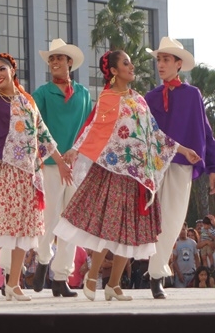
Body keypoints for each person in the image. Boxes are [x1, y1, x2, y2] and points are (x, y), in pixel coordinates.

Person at [54, 50, 201, 301]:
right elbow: (95, 128)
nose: (131, 67)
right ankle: (92, 276)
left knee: (130, 233)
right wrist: (75, 149)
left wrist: (183, 149)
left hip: (138, 176)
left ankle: (113, 284)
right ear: (113, 71)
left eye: (131, 63)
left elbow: (153, 133)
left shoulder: (139, 99)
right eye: (126, 63)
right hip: (114, 172)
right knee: (111, 229)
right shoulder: (109, 98)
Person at [0, 53, 70, 301]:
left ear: (12, 71)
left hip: (28, 173)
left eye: (1, 70)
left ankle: (13, 284)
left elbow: (43, 132)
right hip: (4, 169)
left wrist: (60, 162)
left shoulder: (28, 101)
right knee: (3, 227)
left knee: (24, 231)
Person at [145, 37, 215, 298]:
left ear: (178, 64)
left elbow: (205, 132)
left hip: (183, 163)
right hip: (153, 165)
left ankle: (156, 272)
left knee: (174, 221)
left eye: (165, 59)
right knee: (149, 219)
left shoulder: (193, 95)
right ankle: (154, 271)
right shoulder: (149, 97)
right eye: (158, 60)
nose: (160, 64)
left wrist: (212, 168)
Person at [30, 39, 92, 297]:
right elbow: (33, 128)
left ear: (70, 63)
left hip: (76, 167)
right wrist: (54, 155)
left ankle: (61, 277)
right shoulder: (41, 94)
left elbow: (89, 129)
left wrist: (76, 150)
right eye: (51, 59)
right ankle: (43, 260)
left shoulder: (85, 94)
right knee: (50, 218)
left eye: (59, 58)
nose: (54, 62)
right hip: (51, 165)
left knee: (72, 223)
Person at [173, 222, 199, 288]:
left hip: (192, 275)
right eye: (180, 229)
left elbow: (197, 258)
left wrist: (197, 272)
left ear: (186, 230)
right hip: (180, 276)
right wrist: (179, 274)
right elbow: (174, 260)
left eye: (184, 229)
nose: (182, 231)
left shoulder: (193, 243)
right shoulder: (176, 244)